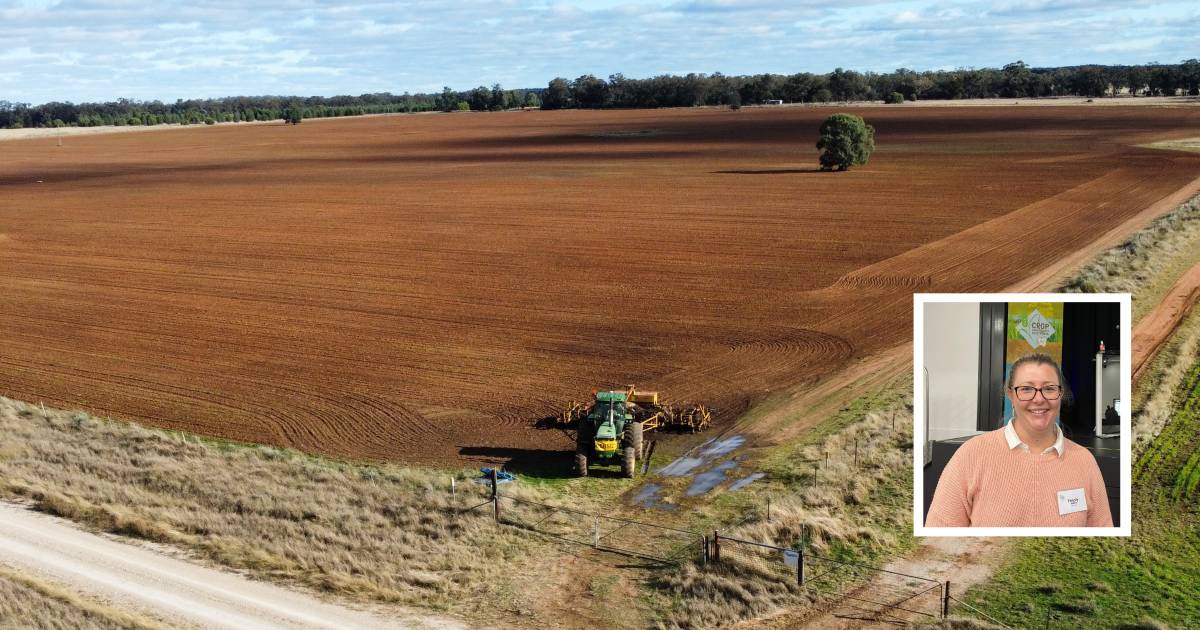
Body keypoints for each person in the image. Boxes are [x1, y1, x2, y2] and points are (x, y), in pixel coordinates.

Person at [926, 353, 1113, 527]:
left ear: (1060, 394)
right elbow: (935, 541)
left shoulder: (1084, 461)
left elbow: (1105, 545)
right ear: (1010, 395)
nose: (1039, 399)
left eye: (1049, 388)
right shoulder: (971, 455)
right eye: (1026, 389)